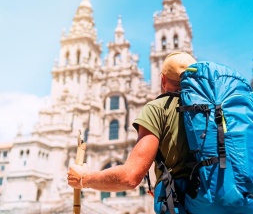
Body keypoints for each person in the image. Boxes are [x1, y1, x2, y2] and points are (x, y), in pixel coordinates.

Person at [67, 52, 196, 212]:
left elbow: (130, 177)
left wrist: (83, 178)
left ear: (162, 80)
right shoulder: (212, 110)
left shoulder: (158, 108)